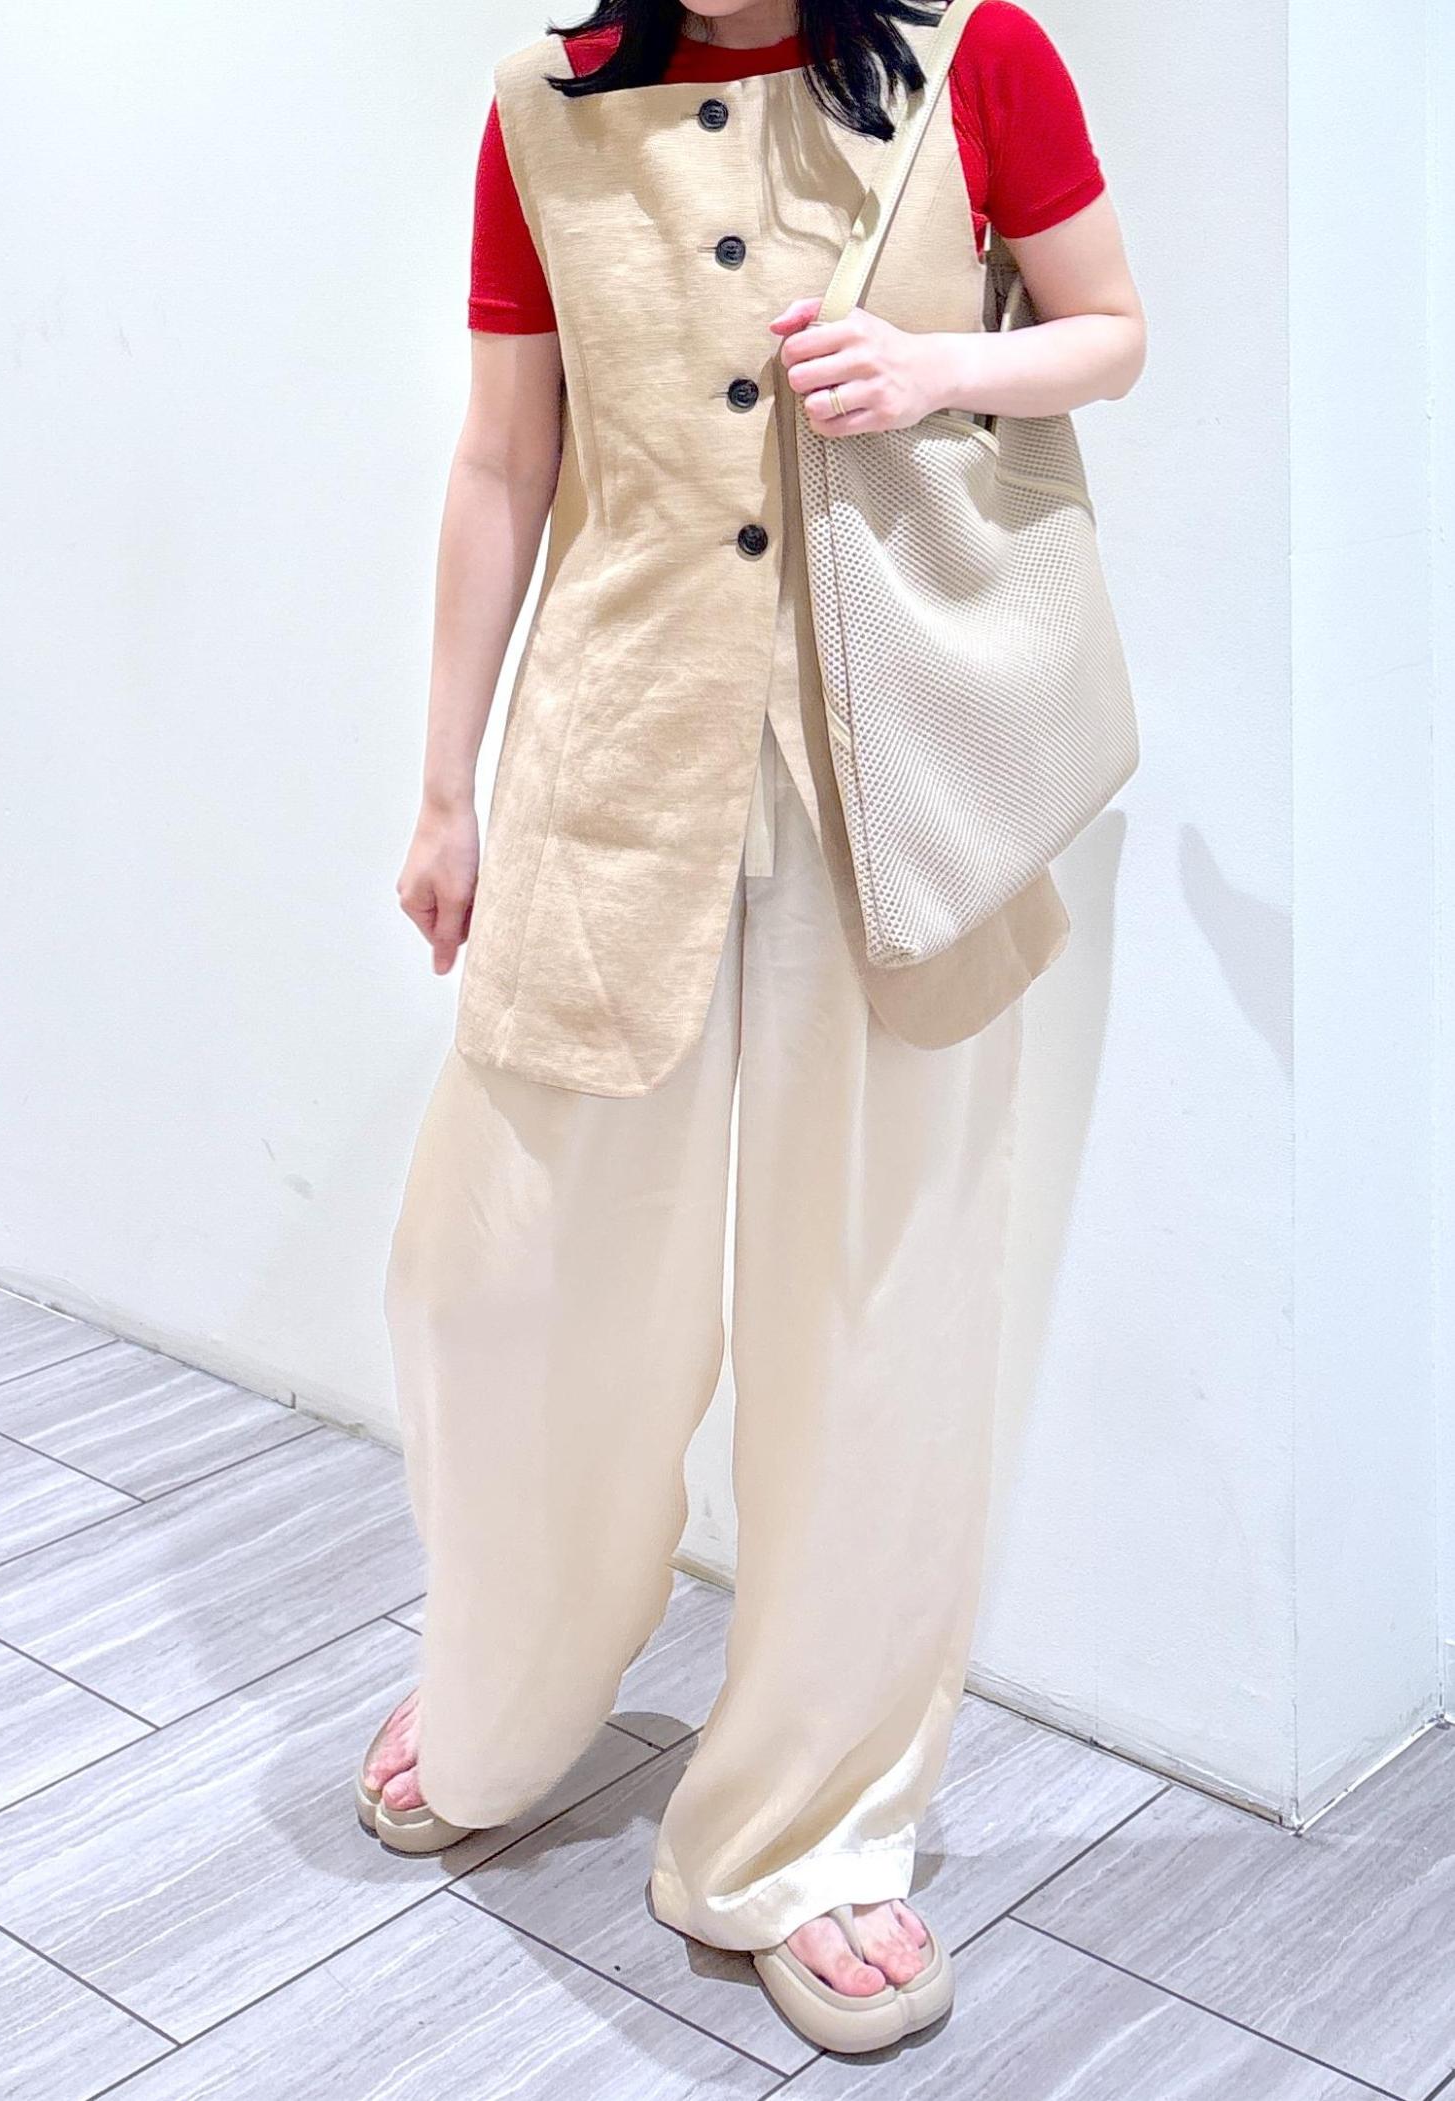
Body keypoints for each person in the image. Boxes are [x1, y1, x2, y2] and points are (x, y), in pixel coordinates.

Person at [360, 0, 1145, 2055]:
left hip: (894, 792)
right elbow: (503, 457)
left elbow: (1112, 329)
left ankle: (811, 1834)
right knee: (493, 1277)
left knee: (876, 1309)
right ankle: (508, 1685)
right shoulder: (545, 108)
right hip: (610, 766)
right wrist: (443, 788)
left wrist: (941, 367)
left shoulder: (981, 57)